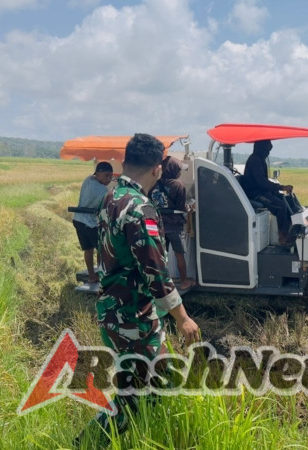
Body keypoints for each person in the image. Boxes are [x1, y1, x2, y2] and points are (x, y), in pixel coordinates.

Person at [75, 133, 200, 447]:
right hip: (133, 315)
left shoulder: (111, 196)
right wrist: (183, 318)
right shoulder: (139, 208)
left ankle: (155, 435)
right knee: (134, 395)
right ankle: (87, 443)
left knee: (162, 381)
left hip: (116, 309)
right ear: (157, 169)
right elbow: (155, 271)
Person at [150, 156, 195, 290]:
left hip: (158, 225)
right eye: (179, 169)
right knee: (179, 254)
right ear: (173, 169)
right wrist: (188, 208)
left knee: (160, 255)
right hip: (175, 225)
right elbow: (181, 207)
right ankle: (184, 281)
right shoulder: (178, 185)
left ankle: (162, 282)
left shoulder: (154, 184)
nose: (180, 172)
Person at [239, 139, 295, 245]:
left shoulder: (259, 159)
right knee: (281, 206)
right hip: (255, 194)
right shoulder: (255, 160)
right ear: (261, 148)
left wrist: (279, 189)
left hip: (261, 191)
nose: (268, 152)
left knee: (285, 199)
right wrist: (281, 187)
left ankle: (288, 232)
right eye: (267, 149)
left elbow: (263, 183)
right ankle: (283, 238)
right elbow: (262, 182)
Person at [72, 161, 113, 286]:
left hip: (78, 219)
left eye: (111, 176)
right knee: (101, 250)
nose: (109, 179)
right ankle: (101, 275)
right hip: (90, 224)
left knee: (88, 249)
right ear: (98, 174)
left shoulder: (88, 179)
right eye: (106, 175)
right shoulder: (102, 191)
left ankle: (91, 275)